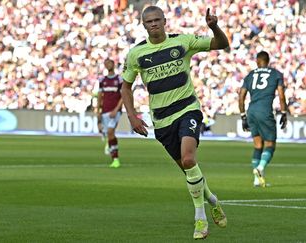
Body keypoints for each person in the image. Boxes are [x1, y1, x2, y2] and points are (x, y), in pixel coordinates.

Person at [120, 6, 228, 240]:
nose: (154, 24)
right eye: (149, 21)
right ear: (143, 25)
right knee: (188, 169)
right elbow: (125, 87)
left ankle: (200, 219)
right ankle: (212, 200)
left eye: (158, 19)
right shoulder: (136, 54)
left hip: (187, 109)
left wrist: (214, 27)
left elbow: (221, 44)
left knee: (189, 159)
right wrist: (131, 116)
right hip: (161, 120)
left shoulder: (183, 42)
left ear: (165, 21)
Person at [238, 51, 288, 188]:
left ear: (257, 61)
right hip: (265, 111)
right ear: (268, 60)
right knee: (270, 145)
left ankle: (256, 180)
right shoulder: (276, 74)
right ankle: (260, 167)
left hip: (251, 111)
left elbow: (241, 95)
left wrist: (243, 116)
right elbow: (281, 95)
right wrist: (284, 113)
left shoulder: (250, 75)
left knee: (258, 145)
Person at [96, 58, 123, 168]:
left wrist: (116, 110)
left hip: (115, 111)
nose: (108, 65)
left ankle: (115, 159)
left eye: (110, 63)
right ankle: (111, 148)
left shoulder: (119, 79)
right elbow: (99, 97)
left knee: (111, 132)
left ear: (113, 65)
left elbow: (123, 97)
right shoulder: (102, 80)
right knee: (109, 134)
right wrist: (98, 111)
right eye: (106, 63)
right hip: (105, 111)